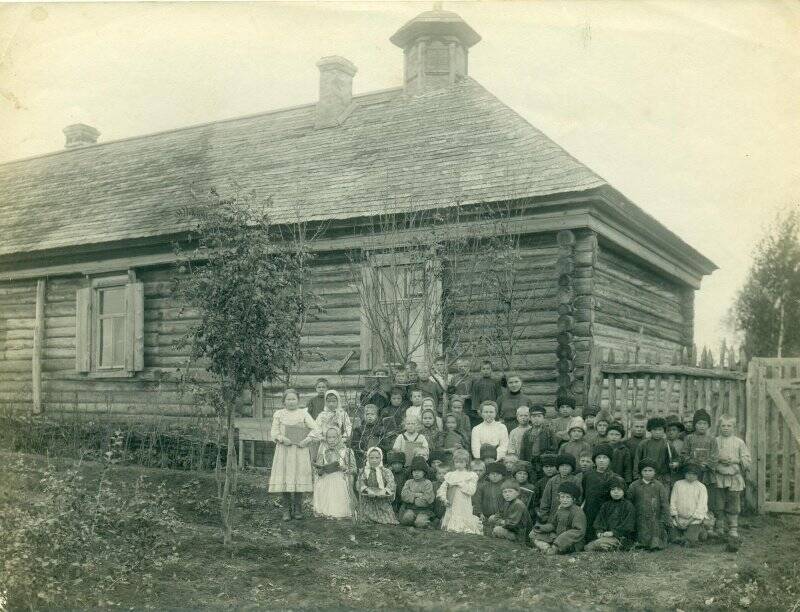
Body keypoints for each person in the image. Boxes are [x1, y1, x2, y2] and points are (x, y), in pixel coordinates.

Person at [269, 389, 320, 521]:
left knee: (299, 478)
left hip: (299, 451)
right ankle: (286, 509)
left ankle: (298, 508)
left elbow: (316, 429)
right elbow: (274, 432)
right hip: (284, 451)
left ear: (298, 400)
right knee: (285, 478)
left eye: (293, 399)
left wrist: (307, 440)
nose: (291, 402)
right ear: (284, 401)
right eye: (288, 399)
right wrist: (281, 438)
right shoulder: (279, 414)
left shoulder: (303, 414)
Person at [711, 415, 752, 539]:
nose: (726, 428)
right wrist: (719, 459)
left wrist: (735, 460)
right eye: (723, 426)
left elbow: (746, 458)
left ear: (734, 427)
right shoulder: (715, 441)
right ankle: (720, 527)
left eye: (729, 426)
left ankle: (733, 528)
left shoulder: (739, 442)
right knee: (718, 502)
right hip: (719, 476)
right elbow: (710, 456)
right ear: (719, 427)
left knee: (733, 502)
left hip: (734, 477)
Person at [530, 481, 586, 555]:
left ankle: (549, 550)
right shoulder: (560, 509)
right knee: (533, 534)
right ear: (559, 498)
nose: (564, 500)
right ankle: (547, 548)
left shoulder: (577, 512)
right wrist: (541, 528)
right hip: (557, 537)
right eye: (562, 497)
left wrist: (559, 541)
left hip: (571, 542)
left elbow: (578, 531)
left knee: (555, 547)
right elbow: (553, 525)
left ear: (574, 499)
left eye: (568, 497)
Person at [312, 427, 357, 519]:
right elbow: (319, 467)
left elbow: (354, 469)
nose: (331, 440)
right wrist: (320, 469)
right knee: (322, 483)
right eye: (329, 437)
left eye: (334, 437)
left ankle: (338, 510)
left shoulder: (346, 451)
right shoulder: (323, 451)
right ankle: (325, 509)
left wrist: (345, 468)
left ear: (339, 437)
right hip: (326, 476)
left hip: (341, 476)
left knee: (338, 483)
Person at [627, 457, 670, 550]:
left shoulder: (659, 486)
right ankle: (640, 543)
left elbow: (664, 503)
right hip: (639, 517)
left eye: (650, 470)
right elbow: (629, 502)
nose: (647, 473)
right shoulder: (634, 485)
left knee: (655, 535)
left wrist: (665, 518)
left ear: (655, 472)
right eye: (645, 470)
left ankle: (655, 544)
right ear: (641, 472)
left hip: (655, 517)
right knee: (640, 535)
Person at [578, 444, 618, 542]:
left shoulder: (614, 477)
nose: (601, 460)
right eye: (598, 457)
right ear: (594, 460)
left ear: (609, 460)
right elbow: (584, 495)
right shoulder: (588, 475)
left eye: (605, 458)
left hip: (606, 512)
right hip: (590, 510)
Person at [438, 449, 483, 535]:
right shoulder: (450, 475)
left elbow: (471, 491)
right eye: (456, 462)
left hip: (464, 501)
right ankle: (452, 527)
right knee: (452, 514)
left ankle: (464, 527)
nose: (459, 464)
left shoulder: (471, 475)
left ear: (466, 462)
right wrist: (444, 499)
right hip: (452, 500)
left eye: (461, 462)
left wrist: (461, 484)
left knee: (464, 516)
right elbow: (443, 488)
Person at [585, 476, 635, 552]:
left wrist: (613, 533)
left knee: (595, 545)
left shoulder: (628, 506)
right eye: (613, 490)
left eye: (619, 489)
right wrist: (599, 532)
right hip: (606, 536)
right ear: (609, 491)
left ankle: (613, 547)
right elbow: (600, 521)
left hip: (621, 537)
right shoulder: (606, 505)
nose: (616, 492)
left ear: (624, 491)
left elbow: (628, 526)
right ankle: (607, 547)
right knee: (588, 547)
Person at [669, 462, 709, 546]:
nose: (691, 476)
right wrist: (676, 520)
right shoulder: (678, 484)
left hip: (693, 520)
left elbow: (701, 507)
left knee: (690, 541)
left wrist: (688, 522)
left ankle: (701, 530)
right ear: (684, 473)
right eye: (689, 474)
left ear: (698, 475)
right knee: (673, 539)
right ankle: (683, 533)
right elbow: (673, 502)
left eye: (694, 474)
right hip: (679, 519)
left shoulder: (701, 487)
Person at [356, 447, 398, 525]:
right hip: (368, 499)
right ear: (367, 458)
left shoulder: (386, 471)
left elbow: (391, 483)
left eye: (377, 458)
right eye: (371, 458)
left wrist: (384, 491)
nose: (374, 460)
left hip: (382, 499)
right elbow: (359, 482)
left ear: (381, 458)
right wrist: (367, 490)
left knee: (387, 519)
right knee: (364, 518)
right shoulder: (364, 471)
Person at [538, 454, 582, 524]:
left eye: (567, 466)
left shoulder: (576, 481)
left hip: (569, 517)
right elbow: (545, 501)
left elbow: (578, 500)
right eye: (562, 466)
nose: (564, 468)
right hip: (552, 517)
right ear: (558, 467)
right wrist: (545, 517)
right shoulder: (552, 481)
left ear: (572, 468)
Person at [680, 409, 718, 490]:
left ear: (709, 425)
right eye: (699, 423)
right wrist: (694, 463)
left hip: (707, 473)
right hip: (692, 472)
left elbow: (715, 456)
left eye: (705, 423)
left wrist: (706, 464)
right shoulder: (689, 438)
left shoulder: (712, 439)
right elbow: (684, 454)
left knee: (706, 495)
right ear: (695, 425)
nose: (702, 426)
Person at [488, 479, 532, 544]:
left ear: (517, 493)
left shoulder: (518, 504)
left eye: (510, 491)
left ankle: (513, 543)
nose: (507, 494)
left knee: (497, 529)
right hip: (510, 528)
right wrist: (499, 520)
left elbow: (511, 524)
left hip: (519, 534)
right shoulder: (507, 502)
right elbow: (498, 514)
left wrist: (499, 521)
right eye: (505, 492)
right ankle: (499, 539)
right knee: (491, 518)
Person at [633, 417, 672, 490]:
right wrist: (637, 476)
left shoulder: (667, 444)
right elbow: (637, 460)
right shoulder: (643, 444)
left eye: (660, 429)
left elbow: (675, 458)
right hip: (646, 476)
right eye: (654, 430)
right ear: (650, 430)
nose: (657, 432)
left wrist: (675, 463)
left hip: (662, 478)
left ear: (664, 430)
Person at [399, 456, 436, 529]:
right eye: (414, 471)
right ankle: (414, 521)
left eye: (419, 471)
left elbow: (428, 498)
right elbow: (403, 495)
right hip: (410, 508)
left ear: (424, 472)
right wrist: (417, 495)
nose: (416, 473)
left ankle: (428, 522)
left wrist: (412, 496)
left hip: (424, 510)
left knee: (420, 523)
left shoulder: (427, 483)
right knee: (406, 519)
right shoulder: (409, 482)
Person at [519, 405, 558, 470]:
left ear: (543, 418)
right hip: (530, 463)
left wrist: (545, 457)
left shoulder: (549, 432)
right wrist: (523, 464)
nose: (536, 419)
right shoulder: (527, 433)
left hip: (545, 464)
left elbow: (554, 448)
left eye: (539, 416)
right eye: (534, 416)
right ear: (530, 418)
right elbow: (523, 451)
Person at [531, 453, 558, 522]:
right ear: (542, 468)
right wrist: (538, 512)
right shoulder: (539, 483)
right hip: (543, 514)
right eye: (546, 466)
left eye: (552, 466)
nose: (549, 469)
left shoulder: (559, 480)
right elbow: (535, 502)